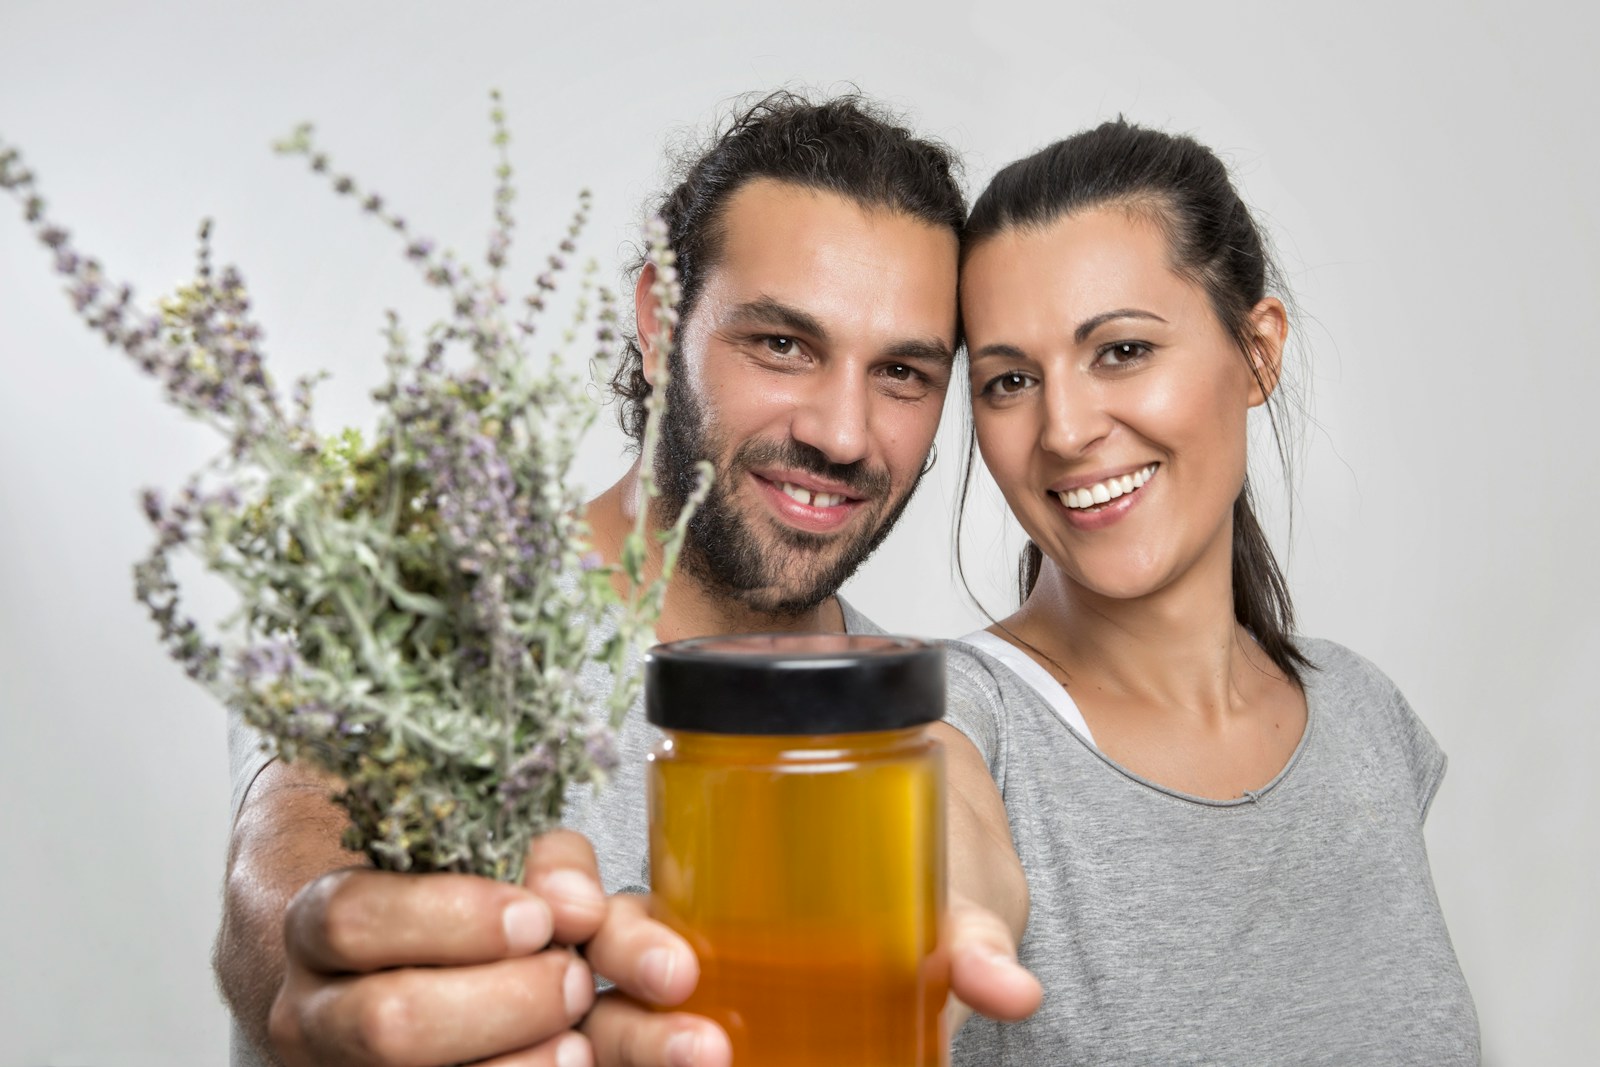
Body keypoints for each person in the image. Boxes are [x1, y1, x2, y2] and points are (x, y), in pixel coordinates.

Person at [215, 91, 1041, 1067]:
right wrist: (337, 958)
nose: (841, 432)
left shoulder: (915, 713)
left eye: (901, 372)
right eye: (781, 343)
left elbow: (958, 818)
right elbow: (293, 846)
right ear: (660, 320)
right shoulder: (419, 614)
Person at [941, 119, 1481, 1063]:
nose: (1064, 429)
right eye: (1010, 379)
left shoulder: (1366, 722)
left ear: (1259, 352)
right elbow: (919, 792)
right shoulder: (953, 713)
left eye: (1121, 351)